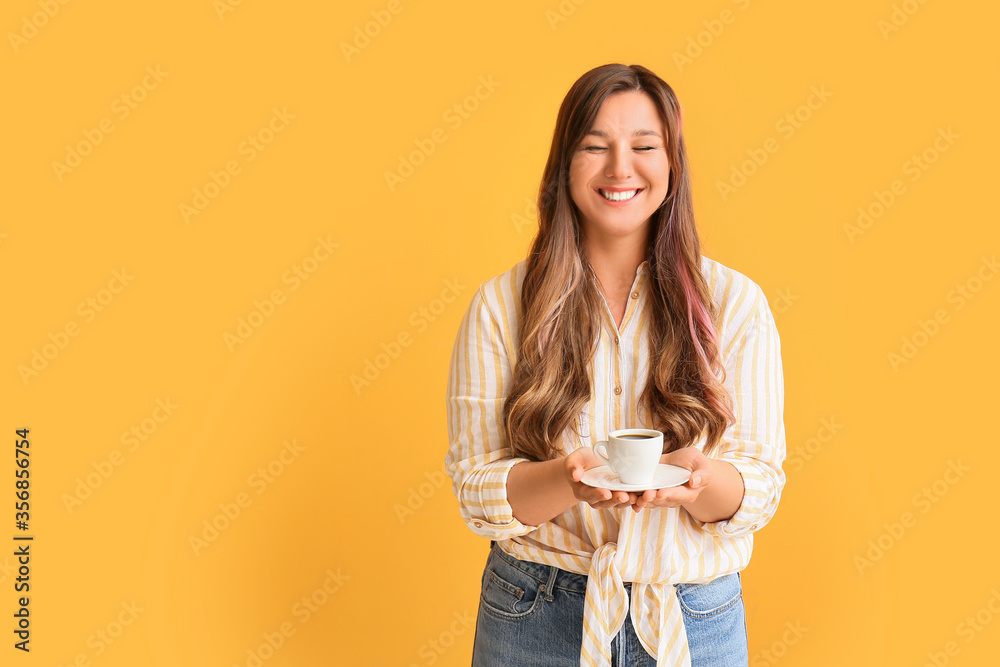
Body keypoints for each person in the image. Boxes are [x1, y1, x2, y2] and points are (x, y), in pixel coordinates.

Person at [445, 63, 785, 667]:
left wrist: (695, 482)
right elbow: (477, 489)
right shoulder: (501, 305)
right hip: (535, 611)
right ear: (564, 167)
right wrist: (567, 481)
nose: (620, 169)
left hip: (692, 616)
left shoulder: (735, 303)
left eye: (644, 147)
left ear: (672, 166)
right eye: (595, 147)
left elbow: (758, 485)